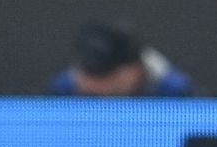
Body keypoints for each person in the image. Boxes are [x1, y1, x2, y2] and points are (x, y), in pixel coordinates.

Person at [50, 22, 194, 97]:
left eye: (104, 74)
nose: (94, 85)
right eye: (88, 71)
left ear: (134, 72)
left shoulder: (174, 93)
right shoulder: (64, 90)